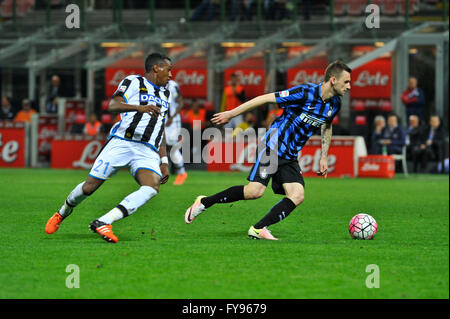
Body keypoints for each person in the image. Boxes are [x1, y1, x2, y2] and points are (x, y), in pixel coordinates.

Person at [185, 60, 352, 240]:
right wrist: (231, 114)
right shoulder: (304, 92)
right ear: (333, 80)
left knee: (297, 195)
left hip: (290, 154)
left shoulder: (335, 104)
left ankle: (258, 228)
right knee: (254, 192)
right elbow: (264, 98)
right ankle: (203, 202)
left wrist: (324, 156)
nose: (349, 86)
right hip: (272, 147)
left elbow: (326, 126)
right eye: (346, 82)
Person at [45, 53, 172, 243]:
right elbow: (112, 105)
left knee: (152, 186)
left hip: (146, 149)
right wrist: (139, 108)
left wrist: (164, 161)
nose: (171, 75)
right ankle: (62, 212)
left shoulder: (165, 94)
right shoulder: (134, 81)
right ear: (156, 68)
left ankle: (104, 221)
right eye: (169, 70)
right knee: (89, 188)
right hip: (122, 141)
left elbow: (160, 129)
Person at [165, 79, 188, 186]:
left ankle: (181, 172)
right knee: (161, 146)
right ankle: (165, 170)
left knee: (173, 146)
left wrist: (172, 118)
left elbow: (180, 103)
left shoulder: (172, 85)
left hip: (173, 121)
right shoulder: (156, 85)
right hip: (163, 120)